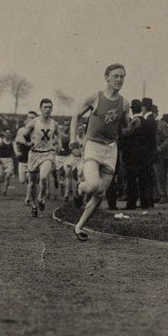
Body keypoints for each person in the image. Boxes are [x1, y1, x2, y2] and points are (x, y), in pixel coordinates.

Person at [69, 64, 131, 240]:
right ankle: (80, 189)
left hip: (111, 148)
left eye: (122, 77)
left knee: (100, 193)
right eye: (116, 76)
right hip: (93, 145)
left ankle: (79, 227)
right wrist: (73, 138)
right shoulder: (95, 98)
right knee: (93, 184)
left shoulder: (124, 103)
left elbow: (125, 129)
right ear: (106, 77)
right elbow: (76, 116)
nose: (119, 80)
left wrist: (133, 126)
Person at [17, 99, 60, 217]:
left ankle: (41, 198)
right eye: (45, 107)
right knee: (32, 183)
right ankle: (35, 205)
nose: (48, 109)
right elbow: (20, 138)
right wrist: (27, 144)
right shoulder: (33, 123)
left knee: (44, 177)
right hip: (34, 154)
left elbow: (57, 134)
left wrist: (59, 145)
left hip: (48, 153)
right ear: (40, 108)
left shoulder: (54, 123)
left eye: (50, 107)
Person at [124, 99, 155, 210]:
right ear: (141, 109)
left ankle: (131, 204)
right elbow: (152, 141)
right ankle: (145, 204)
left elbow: (125, 141)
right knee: (144, 181)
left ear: (132, 111)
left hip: (132, 157)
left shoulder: (130, 124)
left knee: (131, 181)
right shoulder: (148, 123)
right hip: (145, 157)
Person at [15, 111, 38, 204]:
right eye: (29, 117)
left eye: (33, 118)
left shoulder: (38, 131)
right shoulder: (22, 130)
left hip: (32, 158)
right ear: (26, 119)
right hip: (22, 157)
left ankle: (28, 198)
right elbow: (17, 140)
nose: (31, 119)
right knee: (22, 181)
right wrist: (17, 151)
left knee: (30, 178)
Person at [155, 113, 168, 204]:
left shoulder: (162, 125)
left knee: (160, 175)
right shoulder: (149, 123)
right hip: (152, 153)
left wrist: (161, 148)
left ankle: (163, 196)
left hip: (162, 154)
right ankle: (157, 196)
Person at [0, 128, 16, 196]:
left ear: (11, 134)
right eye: (6, 133)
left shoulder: (13, 143)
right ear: (4, 133)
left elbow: (16, 151)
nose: (8, 134)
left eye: (9, 133)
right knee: (1, 178)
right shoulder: (0, 142)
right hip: (1, 160)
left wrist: (17, 154)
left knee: (7, 176)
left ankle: (5, 190)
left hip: (9, 160)